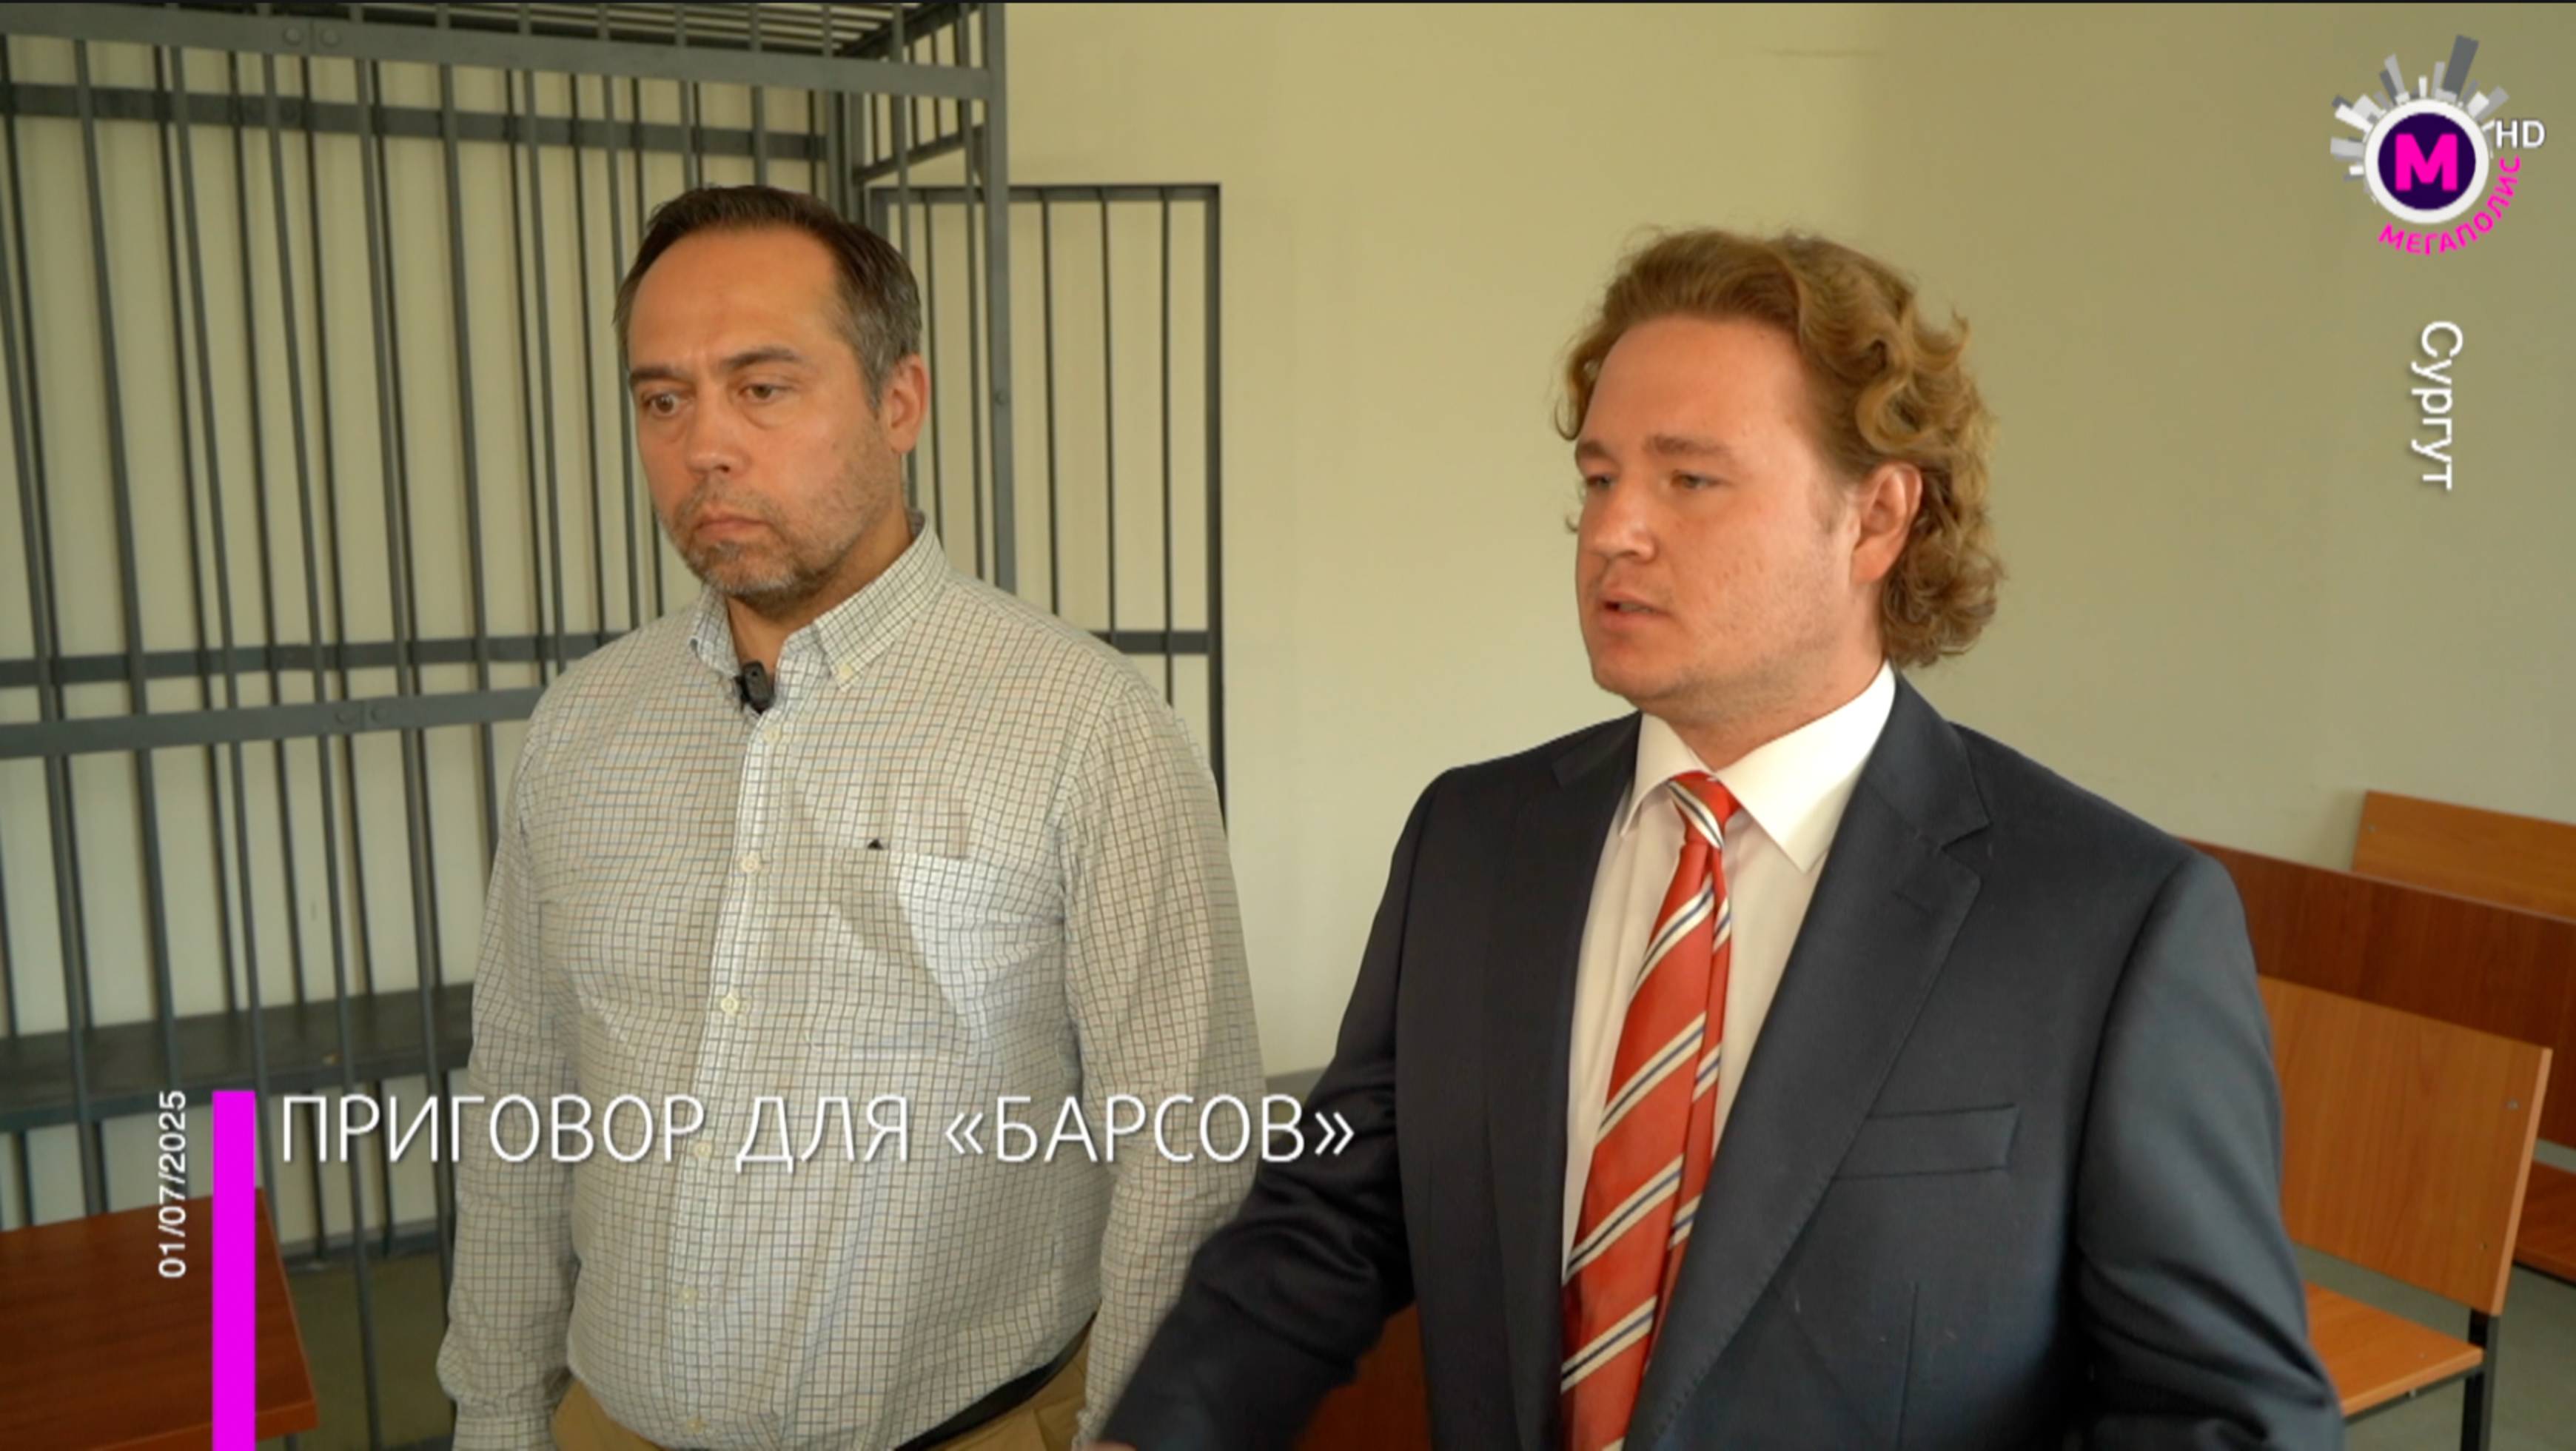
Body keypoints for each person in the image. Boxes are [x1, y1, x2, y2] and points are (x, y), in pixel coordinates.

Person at [1098, 229, 2341, 1449]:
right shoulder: (1473, 845)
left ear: (1876, 519)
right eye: (1599, 478)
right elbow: (1330, 1223)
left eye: (1689, 480)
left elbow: (2229, 1416)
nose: (1613, 532)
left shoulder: (2110, 921)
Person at [435, 185, 1263, 1451]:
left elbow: (1185, 1151)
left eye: (762, 388)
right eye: (663, 401)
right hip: (612, 1423)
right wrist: (497, 1417)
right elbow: (521, 1094)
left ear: (900, 402)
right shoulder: (583, 727)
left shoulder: (1084, 726)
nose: (705, 446)